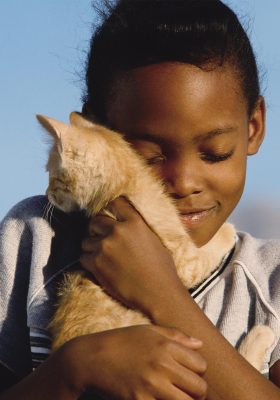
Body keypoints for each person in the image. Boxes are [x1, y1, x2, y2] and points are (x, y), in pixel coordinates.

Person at [0, 0, 280, 399]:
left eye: (215, 152)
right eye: (147, 157)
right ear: (95, 132)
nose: (182, 182)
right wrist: (72, 368)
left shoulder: (270, 283)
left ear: (253, 128)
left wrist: (162, 295)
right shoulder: (32, 240)